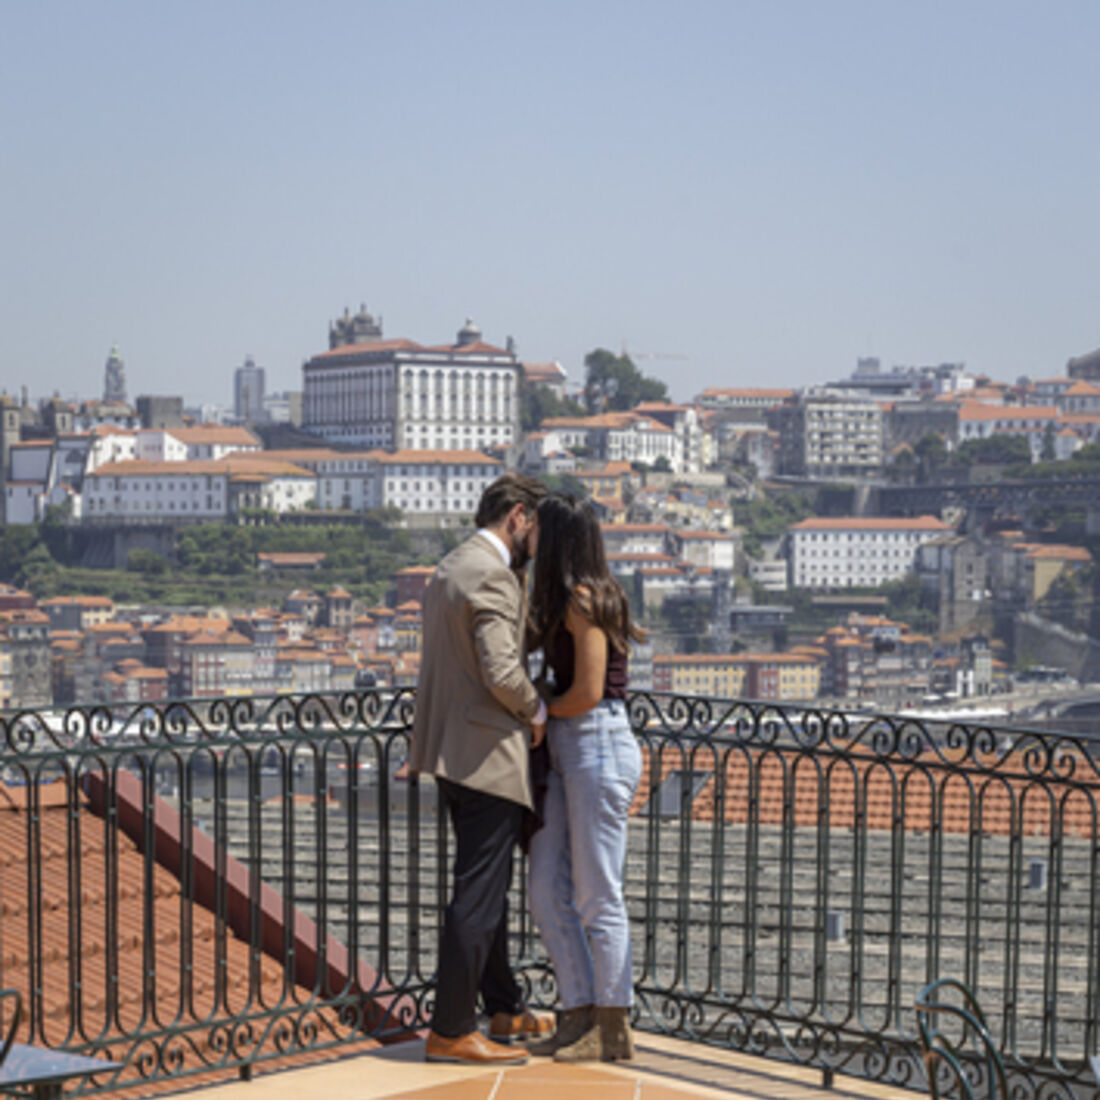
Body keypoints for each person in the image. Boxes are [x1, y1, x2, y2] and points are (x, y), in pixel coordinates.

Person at [410, 472, 554, 1065]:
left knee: (485, 889)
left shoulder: (450, 567)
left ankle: (503, 1005)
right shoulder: (493, 575)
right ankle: (450, 1029)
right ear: (518, 516)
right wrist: (537, 710)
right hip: (489, 753)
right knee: (478, 894)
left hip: (449, 748)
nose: (538, 548)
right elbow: (500, 670)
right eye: (538, 533)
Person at [526, 493, 645, 1062]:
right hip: (572, 747)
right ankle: (577, 1014)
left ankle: (612, 1024)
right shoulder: (567, 599)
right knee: (546, 889)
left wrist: (541, 705)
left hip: (597, 741)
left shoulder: (584, 600)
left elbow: (589, 692)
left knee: (597, 893)